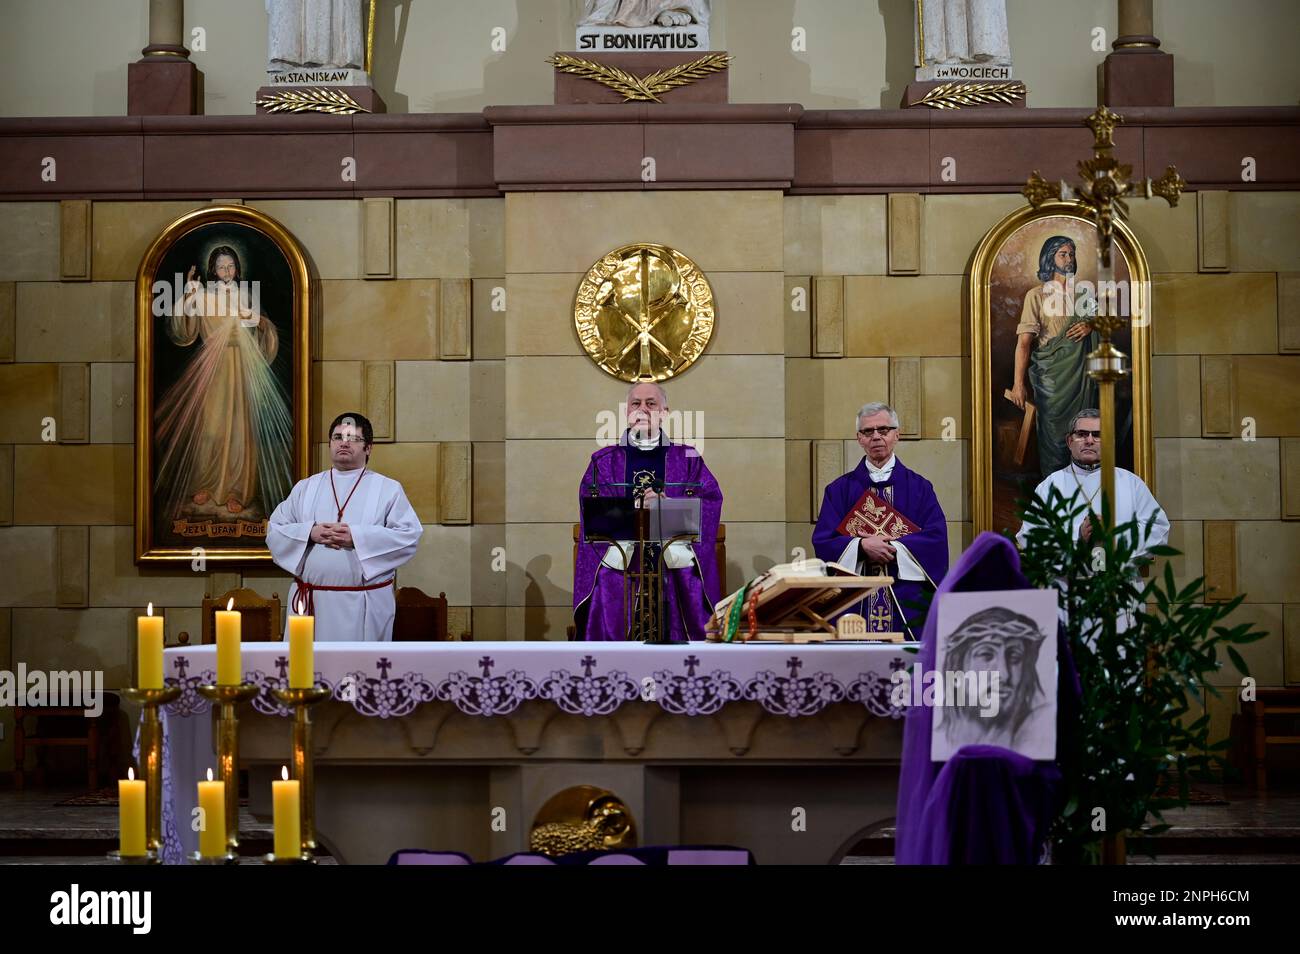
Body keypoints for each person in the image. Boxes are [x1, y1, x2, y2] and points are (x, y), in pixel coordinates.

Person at [573, 382, 722, 642]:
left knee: (687, 574)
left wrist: (667, 503)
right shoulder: (603, 460)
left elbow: (709, 499)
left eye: (651, 403)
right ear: (626, 412)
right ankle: (612, 658)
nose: (642, 409)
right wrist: (635, 509)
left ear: (664, 412)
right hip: (623, 551)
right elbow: (592, 506)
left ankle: (690, 654)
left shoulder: (688, 456)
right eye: (635, 403)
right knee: (608, 576)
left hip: (671, 548)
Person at [155, 245, 291, 521]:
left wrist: (253, 320)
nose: (226, 271)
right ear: (212, 270)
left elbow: (259, 327)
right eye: (220, 266)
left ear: (237, 269)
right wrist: (189, 291)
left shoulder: (245, 294)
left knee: (239, 428)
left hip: (239, 366)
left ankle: (236, 491)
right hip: (212, 368)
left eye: (230, 266)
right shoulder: (204, 296)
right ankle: (205, 483)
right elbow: (184, 327)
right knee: (211, 426)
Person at [267, 412, 422, 641]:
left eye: (353, 438)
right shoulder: (306, 487)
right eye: (337, 437)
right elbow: (275, 529)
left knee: (360, 671)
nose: (344, 443)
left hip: (363, 603)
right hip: (311, 602)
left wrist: (358, 537)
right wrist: (309, 533)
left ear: (368, 448)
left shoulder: (387, 489)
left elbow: (409, 536)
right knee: (308, 672)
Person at [813, 403, 948, 637]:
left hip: (904, 601)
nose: (876, 436)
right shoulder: (838, 490)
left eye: (883, 430)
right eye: (868, 431)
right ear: (859, 439)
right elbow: (823, 542)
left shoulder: (920, 488)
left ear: (897, 435)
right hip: (854, 604)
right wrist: (861, 547)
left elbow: (936, 540)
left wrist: (893, 548)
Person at [1008, 235, 1100, 478]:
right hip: (1051, 378)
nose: (1068, 259)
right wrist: (1018, 384)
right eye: (1063, 254)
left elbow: (1103, 327)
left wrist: (1091, 326)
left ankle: (1085, 492)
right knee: (1053, 438)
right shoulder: (1036, 296)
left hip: (1081, 376)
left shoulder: (1084, 295)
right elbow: (1024, 343)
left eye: (1071, 254)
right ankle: (1055, 494)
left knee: (1085, 433)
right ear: (1050, 258)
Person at [935, 606, 1052, 753]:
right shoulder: (940, 739)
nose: (1003, 675)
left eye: (1014, 658)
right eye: (986, 655)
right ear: (957, 666)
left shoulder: (1038, 730)